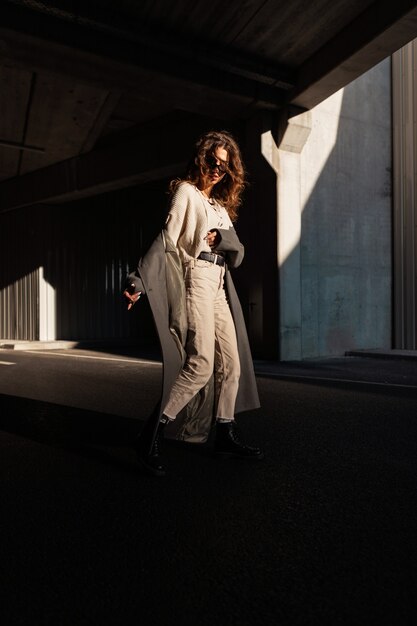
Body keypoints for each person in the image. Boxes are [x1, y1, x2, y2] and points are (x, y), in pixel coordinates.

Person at [124, 130, 263, 476]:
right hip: (197, 277)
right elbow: (166, 240)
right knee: (200, 363)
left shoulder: (219, 205)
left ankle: (225, 433)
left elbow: (239, 253)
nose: (218, 170)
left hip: (218, 283)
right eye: (213, 162)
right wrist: (138, 280)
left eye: (224, 167)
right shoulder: (186, 193)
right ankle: (151, 434)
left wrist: (223, 238)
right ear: (201, 159)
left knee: (231, 365)